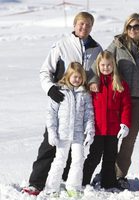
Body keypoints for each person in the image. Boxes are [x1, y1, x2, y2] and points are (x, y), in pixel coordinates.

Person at [23, 11, 102, 196]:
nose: (84, 27)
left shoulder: (96, 48)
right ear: (74, 25)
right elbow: (45, 70)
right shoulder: (62, 44)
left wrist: (94, 83)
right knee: (50, 144)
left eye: (88, 25)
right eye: (81, 24)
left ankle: (67, 183)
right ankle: (36, 183)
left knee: (75, 152)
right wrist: (50, 89)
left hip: (82, 102)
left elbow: (97, 75)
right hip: (62, 101)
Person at [104, 13, 139, 189]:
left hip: (137, 100)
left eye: (136, 26)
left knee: (128, 140)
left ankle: (119, 175)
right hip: (117, 97)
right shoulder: (117, 44)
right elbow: (102, 63)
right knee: (111, 138)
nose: (133, 30)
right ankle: (106, 173)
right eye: (129, 27)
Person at [40, 62, 95, 198]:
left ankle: (73, 186)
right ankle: (52, 187)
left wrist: (89, 132)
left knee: (78, 159)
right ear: (68, 76)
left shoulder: (84, 93)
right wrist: (51, 132)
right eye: (74, 77)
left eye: (79, 77)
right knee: (60, 159)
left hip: (78, 134)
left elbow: (89, 115)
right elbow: (51, 114)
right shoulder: (59, 91)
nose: (77, 80)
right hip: (62, 133)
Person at [82, 51, 132, 189]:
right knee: (94, 157)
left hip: (113, 129)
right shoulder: (93, 84)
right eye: (103, 65)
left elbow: (126, 106)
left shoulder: (120, 84)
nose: (106, 67)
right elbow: (87, 107)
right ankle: (83, 181)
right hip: (97, 128)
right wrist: (87, 127)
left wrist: (125, 124)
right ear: (98, 65)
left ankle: (108, 183)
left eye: (109, 65)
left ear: (113, 65)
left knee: (110, 157)